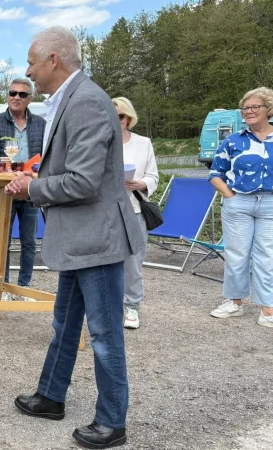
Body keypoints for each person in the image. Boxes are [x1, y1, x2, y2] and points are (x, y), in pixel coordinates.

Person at [6, 27, 144, 449]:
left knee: (104, 334)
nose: (27, 71)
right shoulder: (73, 98)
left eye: (32, 61)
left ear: (53, 60)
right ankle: (51, 395)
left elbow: (83, 181)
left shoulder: (84, 101)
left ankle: (112, 421)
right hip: (79, 238)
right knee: (65, 324)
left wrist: (32, 189)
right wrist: (39, 177)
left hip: (95, 239)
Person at [208, 87, 273, 330]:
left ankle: (268, 310)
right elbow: (215, 173)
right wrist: (229, 195)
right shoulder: (233, 140)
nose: (249, 112)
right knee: (237, 254)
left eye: (255, 107)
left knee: (269, 255)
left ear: (269, 110)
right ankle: (234, 302)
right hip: (238, 203)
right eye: (245, 108)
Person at [0, 77, 46, 299]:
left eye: (22, 94)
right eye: (12, 93)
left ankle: (24, 286)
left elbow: (48, 155)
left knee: (29, 242)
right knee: (2, 242)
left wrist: (35, 175)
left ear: (30, 99)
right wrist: (6, 174)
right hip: (5, 189)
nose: (16, 97)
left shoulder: (41, 124)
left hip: (30, 191)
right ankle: (4, 286)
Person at [113, 97, 158, 329]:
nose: (116, 120)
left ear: (128, 118)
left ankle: (132, 306)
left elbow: (153, 176)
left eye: (120, 116)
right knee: (104, 261)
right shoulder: (98, 141)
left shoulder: (143, 143)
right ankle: (108, 305)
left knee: (133, 261)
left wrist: (140, 183)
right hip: (105, 210)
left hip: (134, 208)